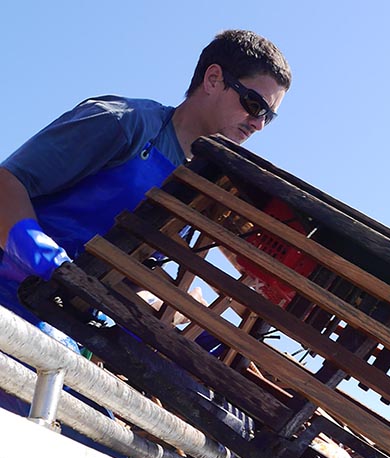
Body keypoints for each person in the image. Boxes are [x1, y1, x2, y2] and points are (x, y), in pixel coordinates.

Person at [0, 29, 291, 422]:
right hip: (10, 300)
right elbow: (8, 183)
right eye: (253, 104)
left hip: (63, 326)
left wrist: (193, 328)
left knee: (104, 445)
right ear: (213, 79)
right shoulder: (124, 123)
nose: (257, 123)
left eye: (268, 116)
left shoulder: (197, 189)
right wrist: (45, 258)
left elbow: (129, 273)